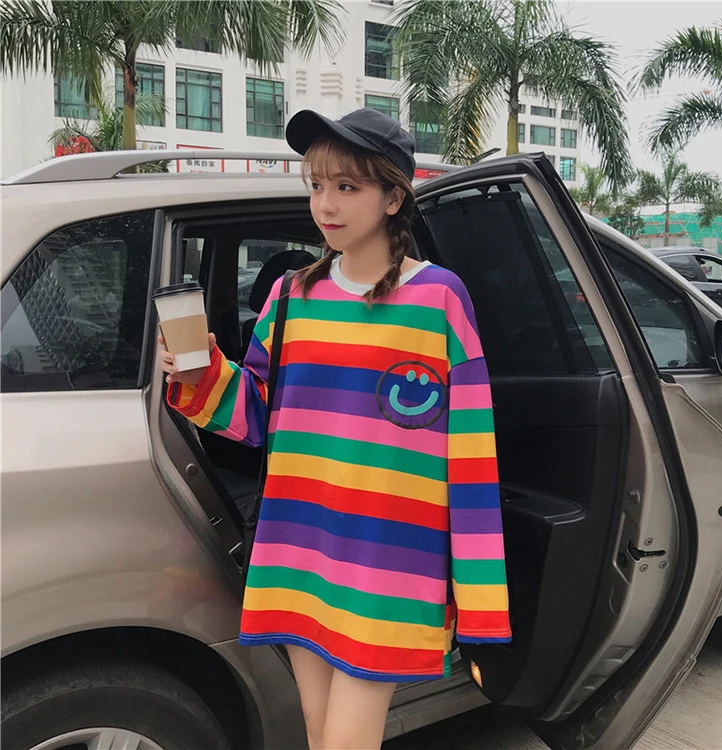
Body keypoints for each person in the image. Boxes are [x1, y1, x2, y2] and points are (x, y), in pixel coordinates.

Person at [159, 108, 511, 750]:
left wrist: (481, 605)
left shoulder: (439, 299)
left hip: (390, 561)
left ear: (393, 197)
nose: (325, 204)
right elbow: (258, 414)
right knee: (321, 733)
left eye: (347, 186)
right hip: (302, 549)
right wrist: (202, 373)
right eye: (316, 185)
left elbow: (470, 459)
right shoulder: (292, 295)